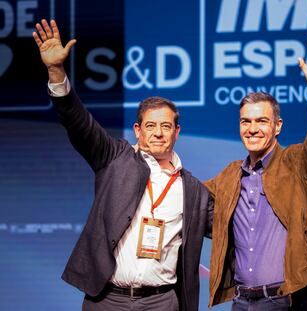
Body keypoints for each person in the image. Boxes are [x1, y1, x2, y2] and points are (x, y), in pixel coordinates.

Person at [33, 19, 213, 311]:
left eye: (166, 126)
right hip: (107, 300)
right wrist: (56, 71)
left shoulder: (192, 189)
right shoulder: (114, 157)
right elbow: (79, 123)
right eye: (150, 126)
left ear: (177, 132)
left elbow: (237, 226)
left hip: (162, 301)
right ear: (138, 130)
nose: (158, 133)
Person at [205, 38, 307, 311]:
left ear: (277, 126)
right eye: (246, 121)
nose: (252, 129)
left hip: (287, 300)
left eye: (261, 121)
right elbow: (188, 195)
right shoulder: (230, 176)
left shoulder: (298, 163)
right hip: (242, 301)